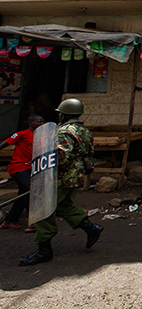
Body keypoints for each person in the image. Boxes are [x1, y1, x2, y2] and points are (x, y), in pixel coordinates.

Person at [19, 99, 103, 266]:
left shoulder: (64, 131)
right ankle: (90, 227)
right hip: (75, 176)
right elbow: (89, 153)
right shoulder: (84, 130)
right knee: (64, 206)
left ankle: (44, 250)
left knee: (44, 210)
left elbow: (61, 155)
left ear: (65, 113)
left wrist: (46, 171)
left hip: (61, 177)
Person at [0, 115, 44, 230]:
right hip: (18, 167)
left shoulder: (41, 136)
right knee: (31, 190)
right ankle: (33, 221)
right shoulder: (22, 134)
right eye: (39, 122)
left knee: (23, 193)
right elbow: (5, 143)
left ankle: (10, 221)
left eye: (43, 122)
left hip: (30, 168)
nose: (41, 124)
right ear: (31, 123)